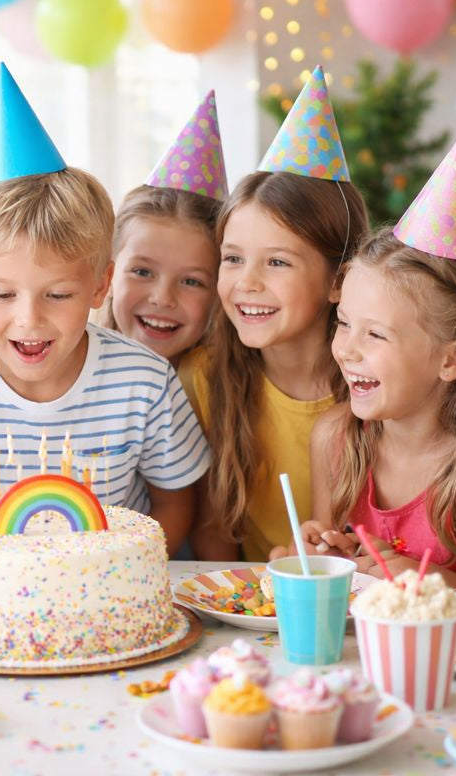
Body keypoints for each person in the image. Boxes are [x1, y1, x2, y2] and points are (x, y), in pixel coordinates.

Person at [0, 64, 210, 572]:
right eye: (3, 294)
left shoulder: (145, 382)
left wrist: (131, 567)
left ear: (99, 285)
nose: (30, 319)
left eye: (58, 294)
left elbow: (175, 504)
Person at [179, 66, 369, 562]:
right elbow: (213, 531)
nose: (247, 282)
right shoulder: (204, 379)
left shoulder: (375, 388)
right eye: (233, 257)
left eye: (278, 262)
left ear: (338, 281)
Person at [271, 142, 456, 586]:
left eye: (375, 334)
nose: (347, 350)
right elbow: (347, 570)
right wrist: (329, 554)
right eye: (343, 323)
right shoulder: (336, 440)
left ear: (450, 358)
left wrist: (438, 583)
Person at [100, 91, 226, 368]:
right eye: (142, 272)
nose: (162, 298)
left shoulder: (219, 390)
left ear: (219, 293)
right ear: (108, 274)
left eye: (192, 281)